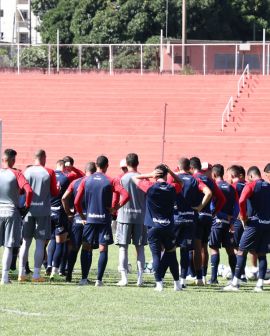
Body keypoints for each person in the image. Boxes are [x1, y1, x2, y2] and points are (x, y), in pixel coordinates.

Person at [74, 155, 129, 286]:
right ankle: (99, 280)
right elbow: (126, 195)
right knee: (102, 248)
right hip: (104, 220)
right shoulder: (110, 180)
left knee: (86, 247)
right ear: (106, 166)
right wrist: (115, 208)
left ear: (96, 165)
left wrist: (82, 216)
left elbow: (76, 201)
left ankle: (84, 279)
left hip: (90, 219)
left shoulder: (86, 180)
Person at [132, 164, 183, 292]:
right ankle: (177, 284)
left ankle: (159, 283)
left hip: (153, 226)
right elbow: (181, 182)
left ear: (155, 176)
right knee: (171, 254)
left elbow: (135, 178)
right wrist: (171, 172)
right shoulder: (171, 188)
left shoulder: (150, 187)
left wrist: (151, 174)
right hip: (168, 227)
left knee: (156, 255)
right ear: (166, 175)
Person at [224, 166, 270, 291]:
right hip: (267, 224)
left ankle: (235, 283)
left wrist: (243, 217)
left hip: (253, 224)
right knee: (261, 254)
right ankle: (259, 285)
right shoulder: (268, 186)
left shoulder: (251, 185)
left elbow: (241, 200)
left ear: (250, 176)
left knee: (241, 251)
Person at [169, 158, 212, 288]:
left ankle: (170, 278)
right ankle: (182, 280)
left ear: (178, 167)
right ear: (190, 167)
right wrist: (199, 207)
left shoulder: (174, 179)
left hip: (176, 218)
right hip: (190, 219)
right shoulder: (195, 180)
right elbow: (208, 192)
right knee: (185, 250)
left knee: (170, 249)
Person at [18, 149, 59, 282]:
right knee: (40, 243)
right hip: (43, 211)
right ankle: (36, 274)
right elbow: (54, 192)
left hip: (28, 210)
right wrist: (57, 188)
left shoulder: (26, 171)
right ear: (44, 158)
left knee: (25, 242)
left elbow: (21, 190)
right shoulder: (49, 172)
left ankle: (21, 273)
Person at [190, 157, 225, 284]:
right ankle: (204, 276)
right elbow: (222, 199)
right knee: (205, 247)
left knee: (197, 247)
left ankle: (198, 277)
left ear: (191, 167)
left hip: (197, 215)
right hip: (208, 217)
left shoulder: (193, 179)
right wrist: (214, 212)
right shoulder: (210, 181)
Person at [0, 149, 33, 284]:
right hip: (11, 211)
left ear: (3, 160)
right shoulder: (17, 173)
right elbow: (29, 190)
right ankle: (4, 278)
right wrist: (26, 206)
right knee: (8, 246)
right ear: (13, 160)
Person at [115, 153, 147, 287]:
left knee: (123, 248)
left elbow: (117, 197)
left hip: (124, 217)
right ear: (137, 163)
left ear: (126, 164)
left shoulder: (121, 178)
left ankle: (124, 278)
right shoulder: (143, 178)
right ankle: (140, 279)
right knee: (140, 249)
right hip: (140, 217)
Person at [62, 161, 96, 282]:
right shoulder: (96, 182)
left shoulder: (75, 182)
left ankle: (69, 274)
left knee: (74, 247)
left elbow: (64, 198)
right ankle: (84, 278)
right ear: (94, 170)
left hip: (76, 218)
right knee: (87, 248)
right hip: (91, 219)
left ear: (85, 170)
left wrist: (69, 213)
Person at [208, 164, 238, 285]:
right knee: (230, 249)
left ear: (214, 174)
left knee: (214, 248)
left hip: (216, 221)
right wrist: (232, 221)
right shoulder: (231, 188)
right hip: (227, 224)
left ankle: (214, 278)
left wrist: (220, 215)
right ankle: (235, 278)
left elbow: (212, 207)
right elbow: (236, 207)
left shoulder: (214, 187)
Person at [47, 160, 70, 281]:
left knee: (51, 239)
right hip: (59, 213)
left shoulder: (49, 175)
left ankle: (49, 265)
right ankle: (55, 271)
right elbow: (67, 196)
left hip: (47, 212)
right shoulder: (65, 178)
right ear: (63, 167)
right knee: (60, 242)